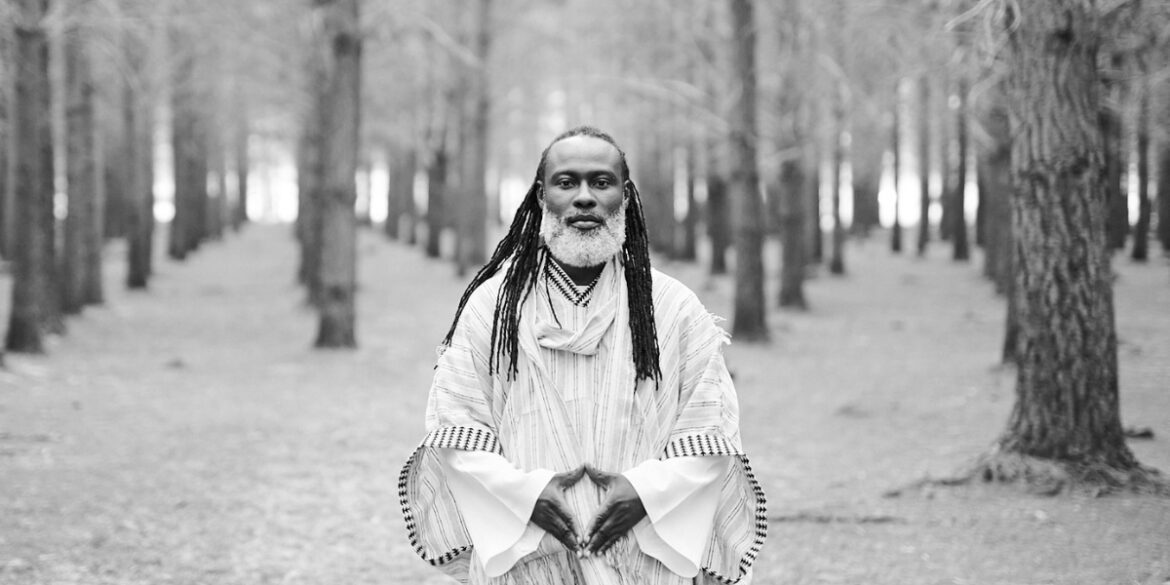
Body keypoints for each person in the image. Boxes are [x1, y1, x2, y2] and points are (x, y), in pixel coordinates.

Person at [398, 126, 766, 585]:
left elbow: (711, 433)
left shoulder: (673, 309)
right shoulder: (492, 307)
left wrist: (645, 493)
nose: (585, 197)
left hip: (643, 564)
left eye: (601, 182)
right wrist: (527, 496)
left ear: (626, 198)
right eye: (567, 182)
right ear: (541, 196)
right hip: (528, 564)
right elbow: (456, 429)